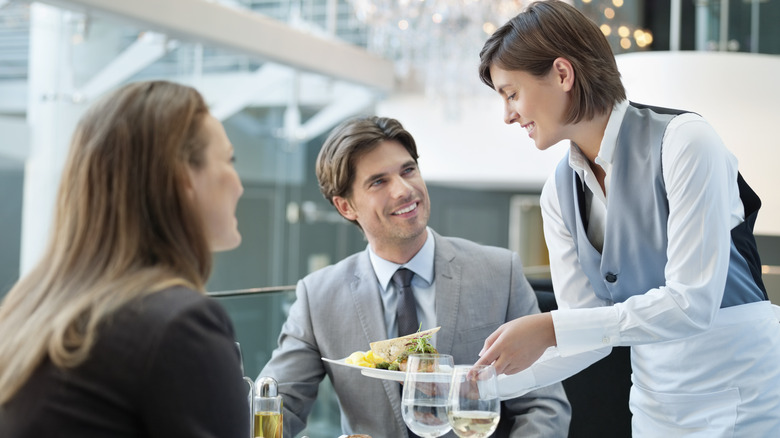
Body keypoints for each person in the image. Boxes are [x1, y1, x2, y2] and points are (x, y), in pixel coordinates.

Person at [473, 1, 780, 436]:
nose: (508, 115)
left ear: (562, 74)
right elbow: (584, 335)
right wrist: (476, 382)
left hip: (742, 393)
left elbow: (692, 305)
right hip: (656, 402)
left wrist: (551, 326)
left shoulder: (685, 142)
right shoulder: (558, 194)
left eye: (511, 93)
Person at [258, 116, 571, 437]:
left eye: (408, 170)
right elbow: (276, 406)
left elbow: (544, 404)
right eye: (378, 181)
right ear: (345, 206)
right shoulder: (318, 297)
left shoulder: (498, 273)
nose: (405, 190)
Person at [0, 80, 249, 437]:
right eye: (229, 160)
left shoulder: (32, 312)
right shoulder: (178, 326)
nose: (239, 184)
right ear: (184, 177)